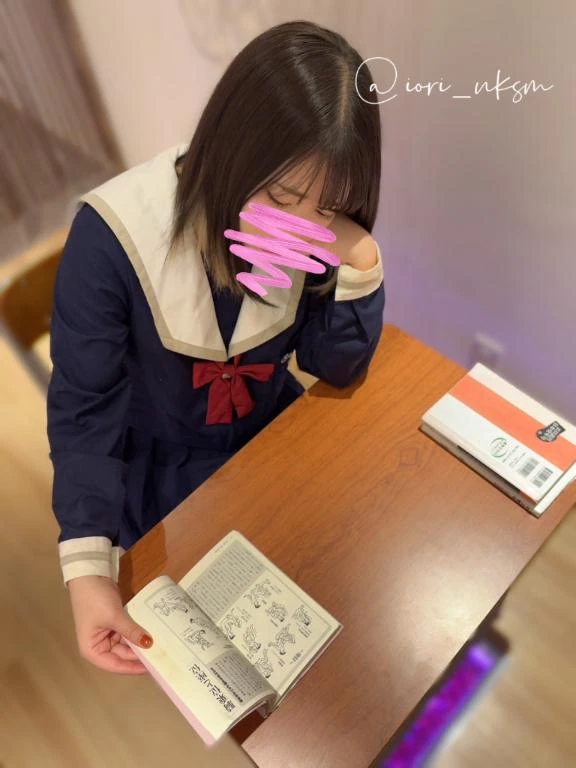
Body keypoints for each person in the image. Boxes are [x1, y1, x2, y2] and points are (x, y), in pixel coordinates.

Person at [47, 20, 385, 675]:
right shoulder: (111, 239)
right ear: (228, 148)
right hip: (162, 479)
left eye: (328, 206)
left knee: (337, 617)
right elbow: (85, 413)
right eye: (282, 196)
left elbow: (333, 365)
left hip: (271, 444)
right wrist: (87, 575)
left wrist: (359, 253)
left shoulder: (316, 227)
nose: (299, 226)